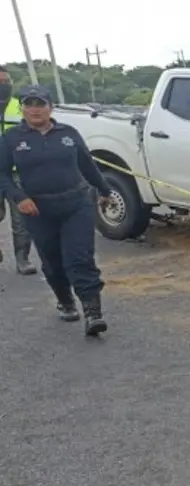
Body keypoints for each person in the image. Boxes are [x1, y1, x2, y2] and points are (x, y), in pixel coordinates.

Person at [0, 85, 114, 335]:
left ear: (50, 107)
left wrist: (105, 190)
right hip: (37, 211)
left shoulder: (69, 134)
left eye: (40, 104)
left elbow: (88, 165)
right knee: (53, 263)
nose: (35, 109)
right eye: (29, 104)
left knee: (80, 258)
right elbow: (3, 175)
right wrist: (19, 197)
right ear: (22, 108)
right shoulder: (11, 139)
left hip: (76, 204)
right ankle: (65, 301)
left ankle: (92, 313)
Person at [0, 65, 37, 274]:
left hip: (18, 172)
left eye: (6, 82)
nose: (3, 86)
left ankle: (22, 258)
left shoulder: (19, 106)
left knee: (22, 219)